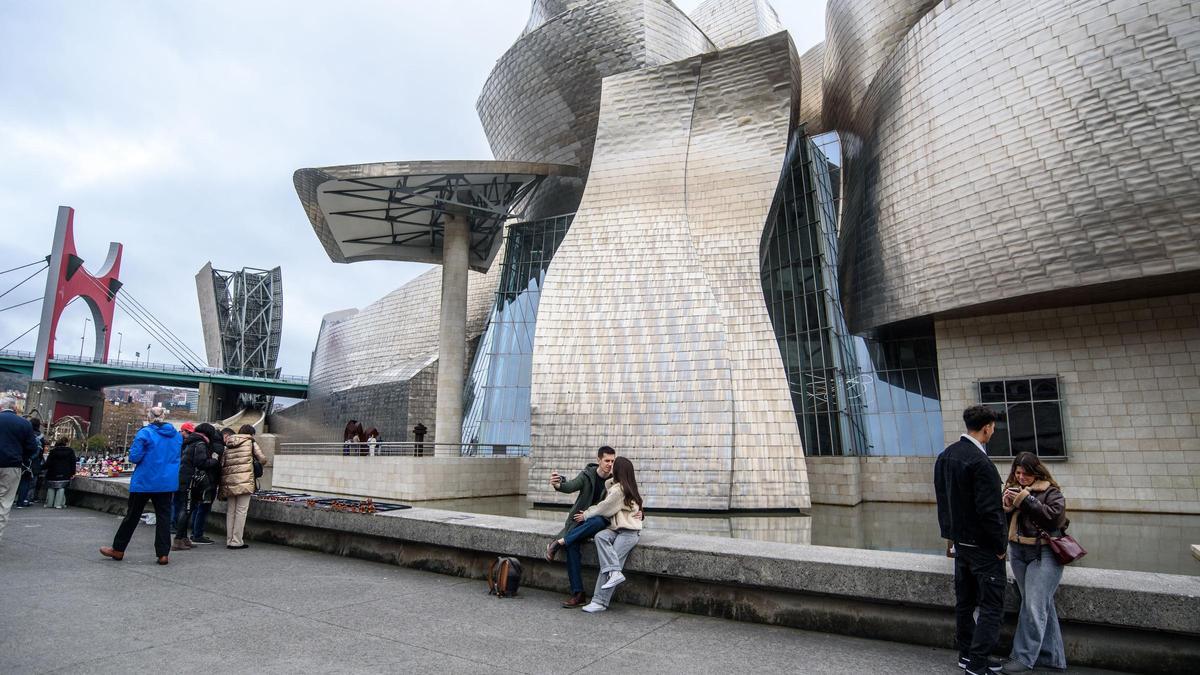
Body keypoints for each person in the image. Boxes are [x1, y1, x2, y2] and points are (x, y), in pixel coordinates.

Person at [935, 405, 1007, 675]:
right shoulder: (981, 463)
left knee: (964, 602)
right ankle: (977, 664)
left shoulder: (946, 456)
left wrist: (951, 537)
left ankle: (966, 655)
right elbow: (990, 511)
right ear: (987, 427)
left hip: (961, 546)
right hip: (983, 549)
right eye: (992, 427)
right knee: (991, 606)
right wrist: (1000, 546)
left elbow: (943, 502)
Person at [1000, 453, 1068, 673]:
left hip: (1045, 553)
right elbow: (1003, 523)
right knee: (1038, 604)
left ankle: (1023, 658)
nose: (1021, 477)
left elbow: (1054, 519)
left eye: (1025, 473)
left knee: (1033, 606)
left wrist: (1025, 500)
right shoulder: (1012, 489)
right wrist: (1007, 507)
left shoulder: (1051, 492)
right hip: (1018, 552)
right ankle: (1052, 658)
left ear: (1036, 472)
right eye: (1017, 473)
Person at [100, 406, 181, 565]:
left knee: (132, 516)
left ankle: (118, 549)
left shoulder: (145, 433)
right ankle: (163, 554)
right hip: (166, 483)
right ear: (164, 417)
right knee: (164, 518)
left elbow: (135, 457)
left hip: (145, 481)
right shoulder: (176, 436)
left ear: (149, 417)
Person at [545, 446, 617, 608]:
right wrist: (558, 484)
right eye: (606, 461)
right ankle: (578, 594)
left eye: (612, 461)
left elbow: (630, 497)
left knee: (598, 520)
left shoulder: (615, 480)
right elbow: (570, 486)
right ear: (598, 460)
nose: (610, 464)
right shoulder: (587, 475)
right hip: (580, 523)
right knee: (572, 545)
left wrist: (640, 512)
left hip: (600, 521)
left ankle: (558, 543)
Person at [572, 456, 644, 613]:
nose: (611, 467)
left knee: (610, 564)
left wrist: (585, 514)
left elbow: (603, 507)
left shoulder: (619, 490)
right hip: (617, 529)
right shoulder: (624, 486)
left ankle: (599, 601)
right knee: (600, 536)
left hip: (628, 532)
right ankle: (615, 572)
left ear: (618, 471)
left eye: (614, 466)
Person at [171, 422, 220, 551]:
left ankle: (183, 538)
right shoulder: (201, 444)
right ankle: (177, 540)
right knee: (186, 510)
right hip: (191, 482)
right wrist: (214, 460)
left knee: (188, 509)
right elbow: (201, 462)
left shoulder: (191, 442)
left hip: (186, 479)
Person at [220, 424, 267, 549]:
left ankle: (229, 539)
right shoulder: (250, 442)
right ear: (250, 434)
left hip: (229, 482)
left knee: (231, 512)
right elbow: (262, 459)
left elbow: (223, 462)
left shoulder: (229, 443)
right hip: (245, 481)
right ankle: (236, 541)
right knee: (241, 511)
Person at [0, 396, 38, 544]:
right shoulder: (24, 424)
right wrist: (21, 458)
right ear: (15, 409)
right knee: (4, 502)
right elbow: (32, 448)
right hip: (12, 465)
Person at [189, 425, 226, 544]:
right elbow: (206, 463)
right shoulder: (217, 447)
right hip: (209, 481)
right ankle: (198, 534)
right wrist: (215, 461)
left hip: (198, 480)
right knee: (204, 508)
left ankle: (194, 533)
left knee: (197, 507)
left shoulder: (200, 442)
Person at [14, 418, 44, 508]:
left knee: (17, 481)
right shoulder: (40, 437)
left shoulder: (24, 433)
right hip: (32, 463)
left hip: (19, 460)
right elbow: (39, 452)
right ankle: (24, 500)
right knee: (28, 482)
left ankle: (13, 499)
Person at [42, 433, 77, 509]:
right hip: (65, 473)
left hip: (52, 473)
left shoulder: (53, 451)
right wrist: (73, 472)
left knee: (51, 487)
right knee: (61, 488)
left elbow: (48, 463)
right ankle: (58, 504)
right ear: (66, 443)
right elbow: (73, 463)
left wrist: (41, 468)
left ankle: (49, 503)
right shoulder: (70, 451)